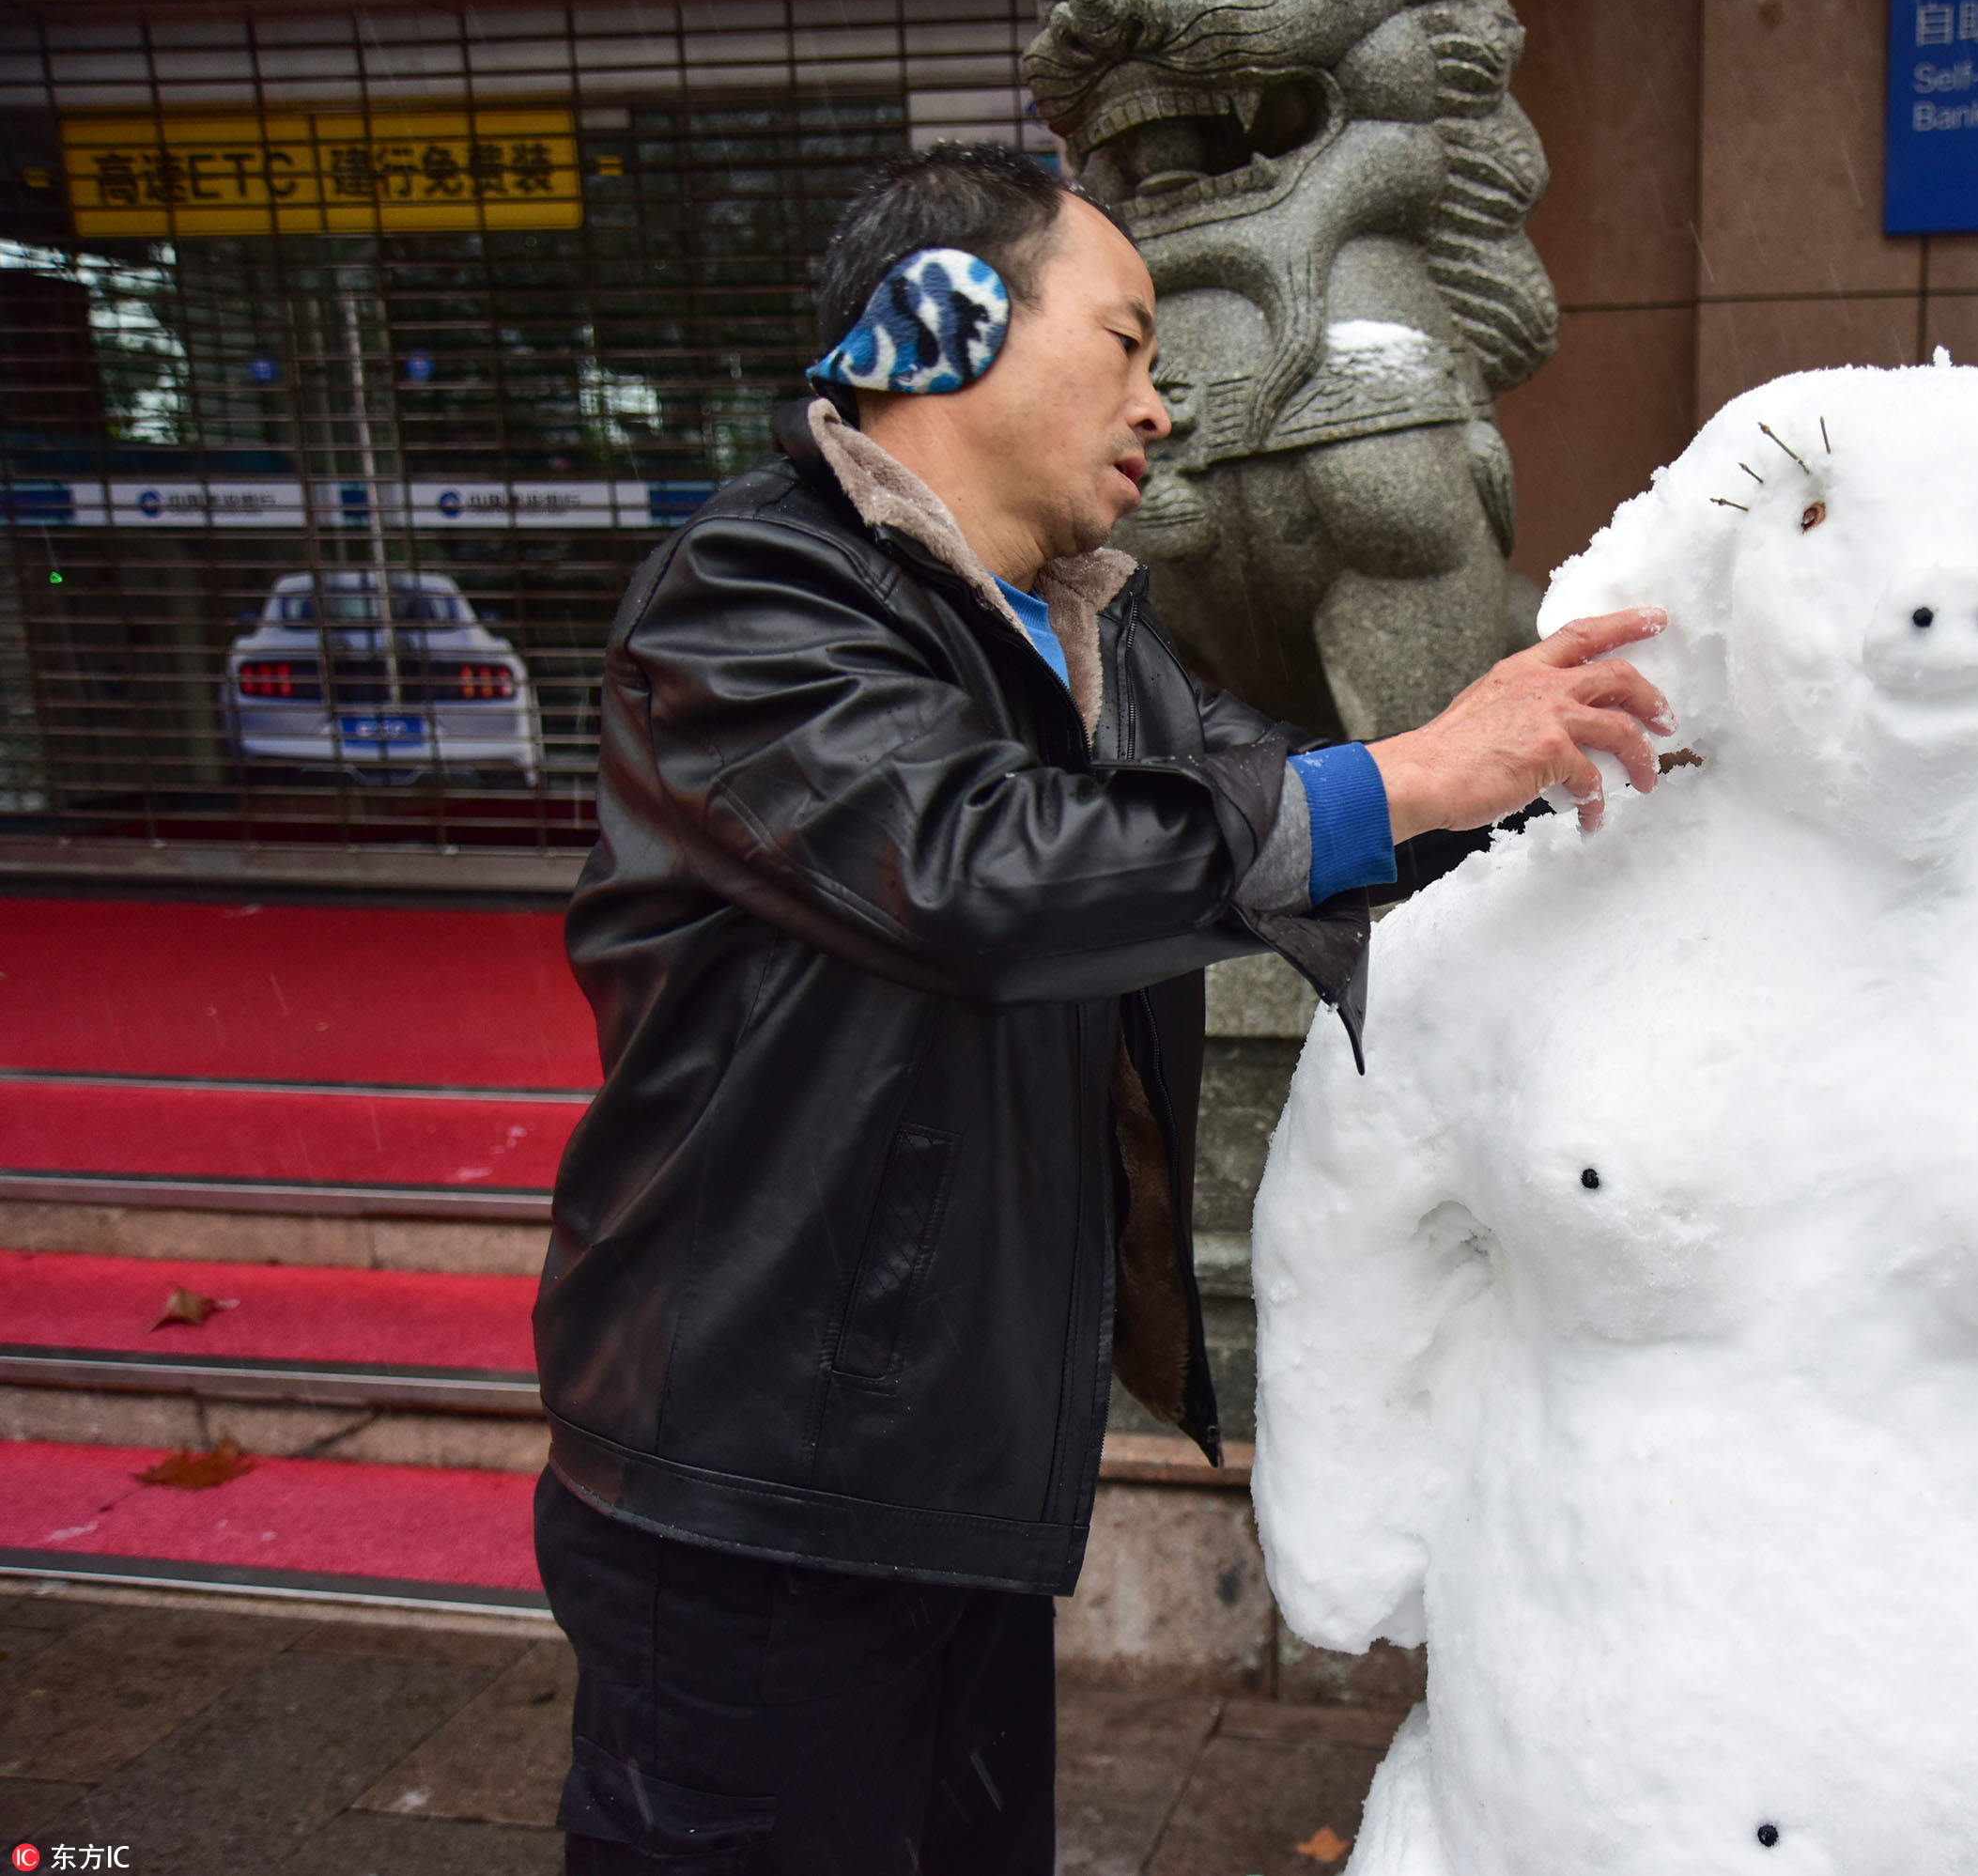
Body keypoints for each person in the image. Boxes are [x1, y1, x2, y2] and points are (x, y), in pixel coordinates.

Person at [532, 141, 1670, 1874]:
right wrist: (1423, 770)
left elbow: (1289, 812)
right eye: (1130, 340)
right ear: (936, 323)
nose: (1169, 399)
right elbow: (978, 868)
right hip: (755, 1491)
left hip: (959, 1476)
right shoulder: (752, 599)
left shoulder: (1089, 639)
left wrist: (1609, 790)